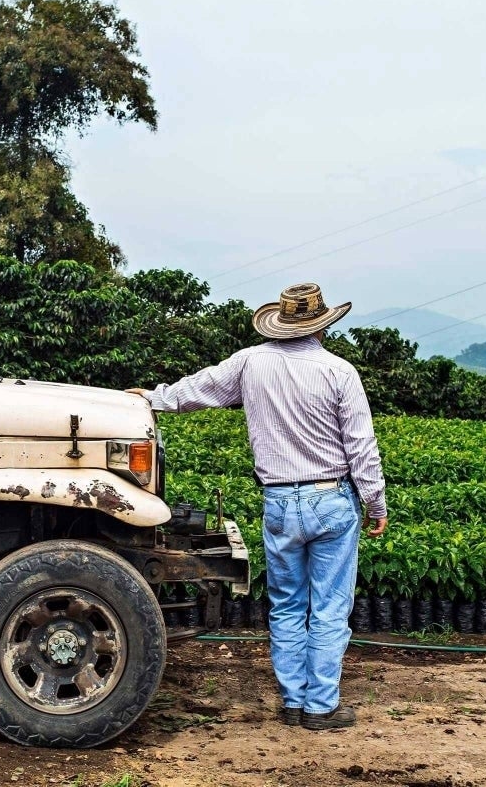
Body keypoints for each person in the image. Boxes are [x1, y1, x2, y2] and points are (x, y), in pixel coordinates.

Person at [127, 282, 387, 730]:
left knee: (286, 604)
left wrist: (151, 398)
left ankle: (291, 701)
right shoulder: (339, 371)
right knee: (328, 606)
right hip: (331, 499)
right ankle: (321, 707)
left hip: (280, 501)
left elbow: (197, 390)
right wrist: (375, 501)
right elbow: (361, 445)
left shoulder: (249, 362)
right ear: (322, 325)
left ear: (281, 322)